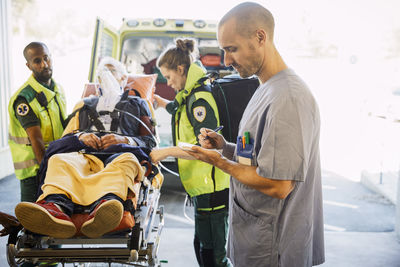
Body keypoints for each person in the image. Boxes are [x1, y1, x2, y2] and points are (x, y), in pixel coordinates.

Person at [185, 2, 325, 267]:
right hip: (255, 238)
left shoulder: (289, 98)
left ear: (260, 37)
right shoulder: (265, 88)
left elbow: (278, 184)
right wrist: (224, 147)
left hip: (275, 248)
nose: (226, 61)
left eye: (232, 49)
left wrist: (219, 162)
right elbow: (259, 155)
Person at [15, 57, 157, 239]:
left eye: (112, 71)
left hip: (119, 155)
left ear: (124, 78)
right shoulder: (83, 105)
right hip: (84, 156)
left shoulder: (138, 104)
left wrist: (125, 140)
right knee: (59, 160)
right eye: (101, 73)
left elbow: (150, 142)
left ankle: (105, 208)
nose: (106, 76)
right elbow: (63, 141)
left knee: (126, 162)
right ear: (96, 82)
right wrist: (80, 137)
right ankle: (55, 208)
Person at [150, 39, 230, 267]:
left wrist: (163, 152)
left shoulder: (199, 98)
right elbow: (177, 108)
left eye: (169, 76)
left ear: (181, 69)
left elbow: (204, 147)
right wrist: (159, 102)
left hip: (212, 187)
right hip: (201, 187)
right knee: (202, 248)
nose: (168, 82)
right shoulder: (189, 92)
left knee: (215, 256)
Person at [8, 42, 67, 203]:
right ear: (29, 65)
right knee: (30, 220)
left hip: (56, 164)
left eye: (46, 58)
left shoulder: (57, 89)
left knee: (54, 215)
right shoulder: (24, 99)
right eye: (37, 61)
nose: (44, 64)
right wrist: (47, 172)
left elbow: (63, 125)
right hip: (35, 172)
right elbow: (36, 140)